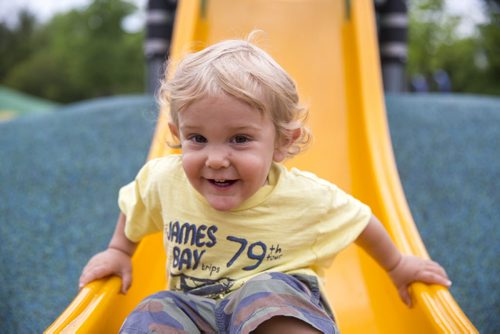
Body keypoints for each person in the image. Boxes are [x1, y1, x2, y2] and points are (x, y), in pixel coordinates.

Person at [79, 37, 451, 334]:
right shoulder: (165, 179)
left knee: (264, 291)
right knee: (154, 310)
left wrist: (398, 265)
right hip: (198, 312)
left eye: (239, 139)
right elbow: (136, 204)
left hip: (279, 310)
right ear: (177, 134)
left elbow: (360, 220)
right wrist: (119, 251)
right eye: (198, 139)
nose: (216, 158)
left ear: (283, 142)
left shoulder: (306, 197)